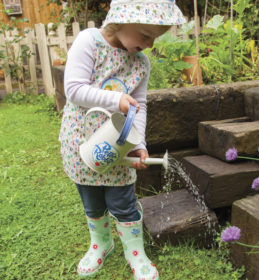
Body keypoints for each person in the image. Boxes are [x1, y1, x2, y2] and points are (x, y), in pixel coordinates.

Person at [59, 0, 185, 279]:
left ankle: (135, 251)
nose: (149, 44)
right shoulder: (88, 42)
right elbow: (74, 89)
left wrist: (138, 143)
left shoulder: (141, 63)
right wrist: (117, 100)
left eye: (154, 39)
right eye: (145, 35)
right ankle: (101, 243)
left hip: (120, 147)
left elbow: (139, 104)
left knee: (124, 203)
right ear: (122, 19)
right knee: (91, 201)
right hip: (83, 142)